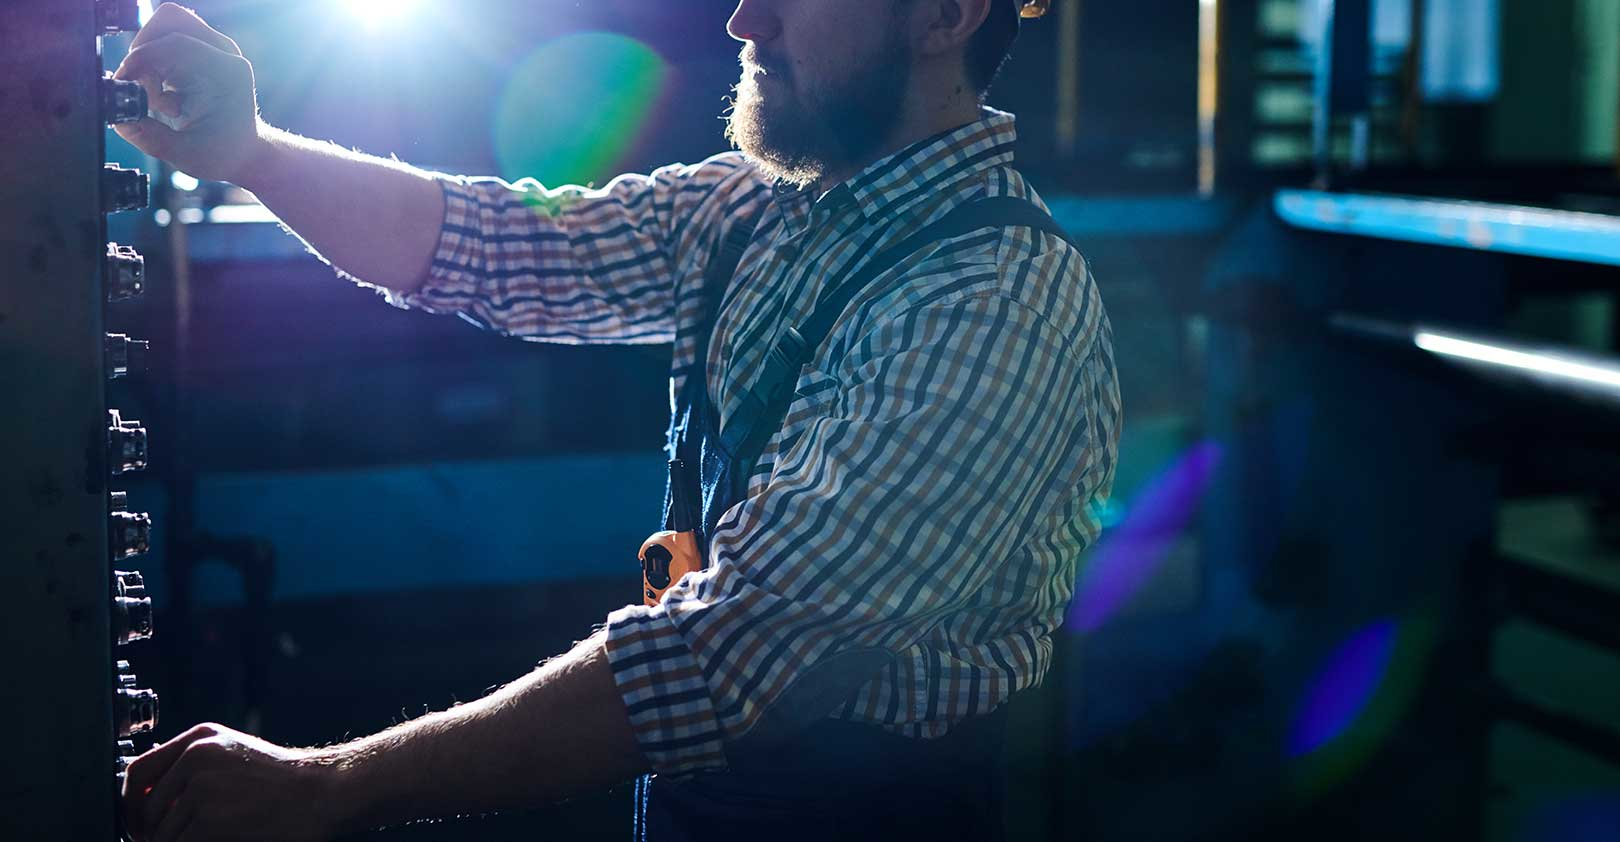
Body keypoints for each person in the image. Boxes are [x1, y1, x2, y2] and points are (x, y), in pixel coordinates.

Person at [113, 0, 1120, 839]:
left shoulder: (992, 297)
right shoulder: (755, 210)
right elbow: (490, 242)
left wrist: (328, 786)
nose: (742, 18)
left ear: (944, 14)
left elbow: (724, 652)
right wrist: (249, 151)